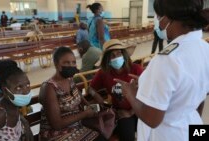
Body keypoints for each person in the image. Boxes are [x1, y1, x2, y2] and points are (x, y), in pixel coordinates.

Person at [114, 0, 209, 141]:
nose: (157, 22)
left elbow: (152, 119)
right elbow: (200, 95)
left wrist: (130, 94)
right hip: (194, 126)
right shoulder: (204, 48)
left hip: (168, 135)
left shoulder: (168, 58)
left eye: (158, 17)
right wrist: (149, 83)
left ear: (169, 18)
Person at [39, 47, 105, 141]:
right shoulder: (49, 87)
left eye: (74, 62)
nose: (71, 65)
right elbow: (57, 124)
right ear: (57, 64)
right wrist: (85, 114)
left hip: (76, 128)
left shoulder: (70, 80)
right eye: (66, 63)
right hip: (56, 135)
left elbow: (81, 99)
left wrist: (92, 107)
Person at [89, 39, 143, 141]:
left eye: (119, 53)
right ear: (107, 59)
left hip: (141, 108)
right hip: (121, 112)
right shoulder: (103, 73)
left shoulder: (136, 69)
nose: (116, 57)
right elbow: (90, 88)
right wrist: (97, 97)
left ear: (124, 55)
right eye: (112, 55)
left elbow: (148, 93)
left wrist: (131, 112)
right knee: (126, 136)